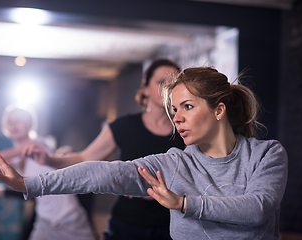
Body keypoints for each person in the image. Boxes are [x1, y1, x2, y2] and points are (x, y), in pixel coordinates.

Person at [0, 66, 288, 239]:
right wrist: (31, 184)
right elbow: (102, 172)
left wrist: (183, 204)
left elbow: (257, 208)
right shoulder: (174, 163)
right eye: (174, 110)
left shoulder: (266, 154)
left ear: (219, 110)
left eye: (188, 107)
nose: (177, 117)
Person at [22, 59, 186, 240]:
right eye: (161, 82)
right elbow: (86, 158)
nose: (167, 88)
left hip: (171, 227)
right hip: (127, 226)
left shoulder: (185, 131)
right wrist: (49, 160)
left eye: (173, 83)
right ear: (145, 88)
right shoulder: (124, 126)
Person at [0, 104, 95, 240]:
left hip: (70, 220)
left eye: (19, 121)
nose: (14, 125)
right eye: (10, 121)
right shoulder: (17, 157)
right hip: (45, 222)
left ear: (29, 124)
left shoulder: (34, 145)